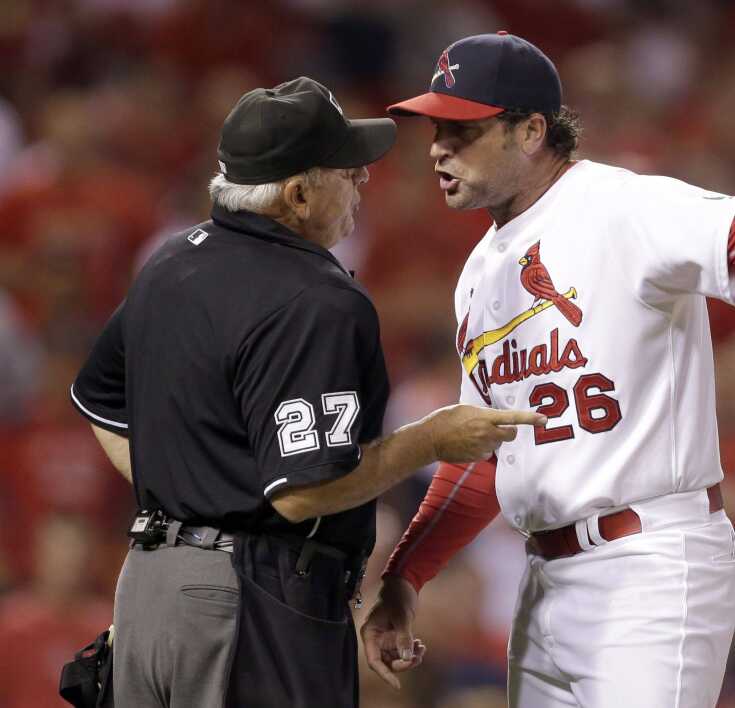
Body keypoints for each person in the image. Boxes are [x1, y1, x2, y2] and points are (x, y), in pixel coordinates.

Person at [359, 33, 735, 708]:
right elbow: (483, 452)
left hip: (650, 563)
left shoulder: (617, 204)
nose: (437, 148)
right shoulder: (481, 272)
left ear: (531, 130)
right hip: (545, 579)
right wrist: (403, 577)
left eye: (462, 130)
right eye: (436, 130)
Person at [69, 76, 544, 708]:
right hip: (248, 599)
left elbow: (99, 401)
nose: (361, 184)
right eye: (346, 172)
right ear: (297, 193)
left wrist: (187, 497)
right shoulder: (317, 300)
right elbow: (303, 492)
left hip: (150, 589)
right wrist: (432, 437)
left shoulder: (171, 262)